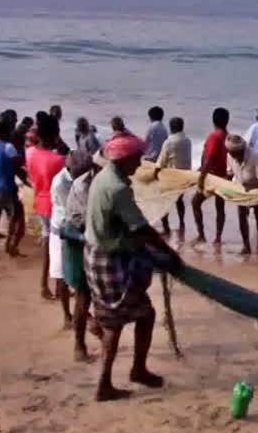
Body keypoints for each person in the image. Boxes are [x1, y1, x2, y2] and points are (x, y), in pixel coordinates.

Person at [84, 134, 183, 401]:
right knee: (128, 320)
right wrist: (168, 252)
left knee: (116, 319)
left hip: (95, 255)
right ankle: (114, 380)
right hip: (109, 260)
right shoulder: (117, 188)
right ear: (124, 158)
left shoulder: (103, 177)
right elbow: (142, 229)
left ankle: (131, 371)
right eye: (137, 158)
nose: (140, 164)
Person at [63, 149, 106, 362]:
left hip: (91, 239)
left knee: (98, 293)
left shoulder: (100, 182)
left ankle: (99, 330)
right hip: (78, 243)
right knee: (84, 295)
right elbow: (93, 222)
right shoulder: (84, 186)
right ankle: (79, 347)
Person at [26, 115, 67, 300]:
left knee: (49, 247)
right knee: (59, 248)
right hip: (55, 206)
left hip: (40, 202)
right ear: (54, 134)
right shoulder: (58, 160)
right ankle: (58, 287)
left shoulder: (30, 152)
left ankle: (44, 285)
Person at [0, 116, 26, 256]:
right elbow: (18, 164)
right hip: (7, 186)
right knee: (16, 215)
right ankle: (10, 245)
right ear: (7, 131)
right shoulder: (9, 147)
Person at [192, 108, 229, 246]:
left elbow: (209, 158)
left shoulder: (214, 136)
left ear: (213, 120)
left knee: (195, 203)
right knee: (220, 206)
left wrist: (201, 177)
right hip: (224, 176)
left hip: (212, 177)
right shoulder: (227, 135)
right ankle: (218, 238)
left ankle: (201, 235)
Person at [225, 134, 258, 255]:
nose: (233, 156)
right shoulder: (229, 156)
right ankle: (246, 245)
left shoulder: (254, 156)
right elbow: (230, 173)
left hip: (256, 191)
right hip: (241, 190)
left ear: (241, 150)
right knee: (242, 217)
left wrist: (254, 190)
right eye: (230, 153)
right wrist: (225, 187)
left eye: (234, 153)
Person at [49, 153, 76, 328]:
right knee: (61, 275)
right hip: (61, 228)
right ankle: (67, 315)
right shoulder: (61, 183)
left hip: (71, 226)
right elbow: (71, 208)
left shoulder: (75, 178)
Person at [154, 117, 192, 237]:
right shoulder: (187, 140)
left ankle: (166, 228)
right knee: (179, 200)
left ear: (171, 128)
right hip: (184, 176)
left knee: (164, 201)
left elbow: (161, 161)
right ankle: (181, 223)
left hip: (171, 176)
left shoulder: (169, 142)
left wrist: (154, 173)